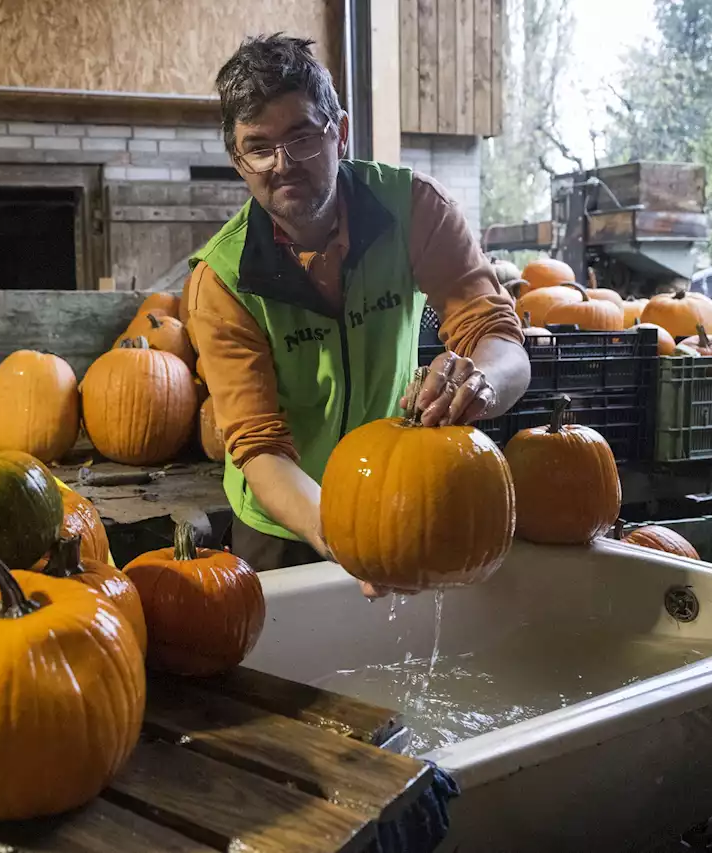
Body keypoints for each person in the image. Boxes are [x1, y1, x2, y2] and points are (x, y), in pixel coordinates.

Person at [185, 34, 531, 596]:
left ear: (339, 133)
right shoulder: (222, 280)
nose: (283, 164)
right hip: (282, 517)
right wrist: (351, 535)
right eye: (259, 147)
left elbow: (498, 336)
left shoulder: (416, 208)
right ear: (237, 160)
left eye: (301, 137)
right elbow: (258, 445)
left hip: (401, 497)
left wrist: (483, 379)